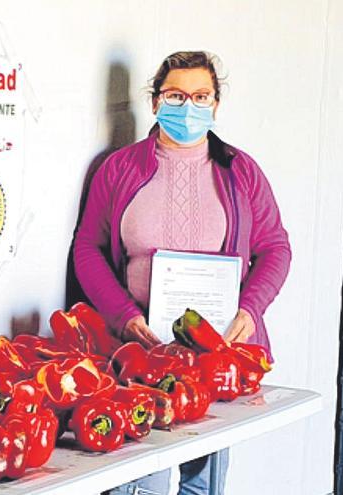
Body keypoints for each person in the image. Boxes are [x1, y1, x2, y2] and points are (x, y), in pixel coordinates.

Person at [72, 51, 291, 495]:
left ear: (215, 104)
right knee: (137, 479)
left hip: (217, 353)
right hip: (139, 350)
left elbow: (275, 249)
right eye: (175, 95)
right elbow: (87, 249)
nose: (187, 107)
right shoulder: (118, 169)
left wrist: (249, 312)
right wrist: (123, 316)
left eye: (200, 96)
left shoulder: (241, 171)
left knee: (203, 483)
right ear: (155, 102)